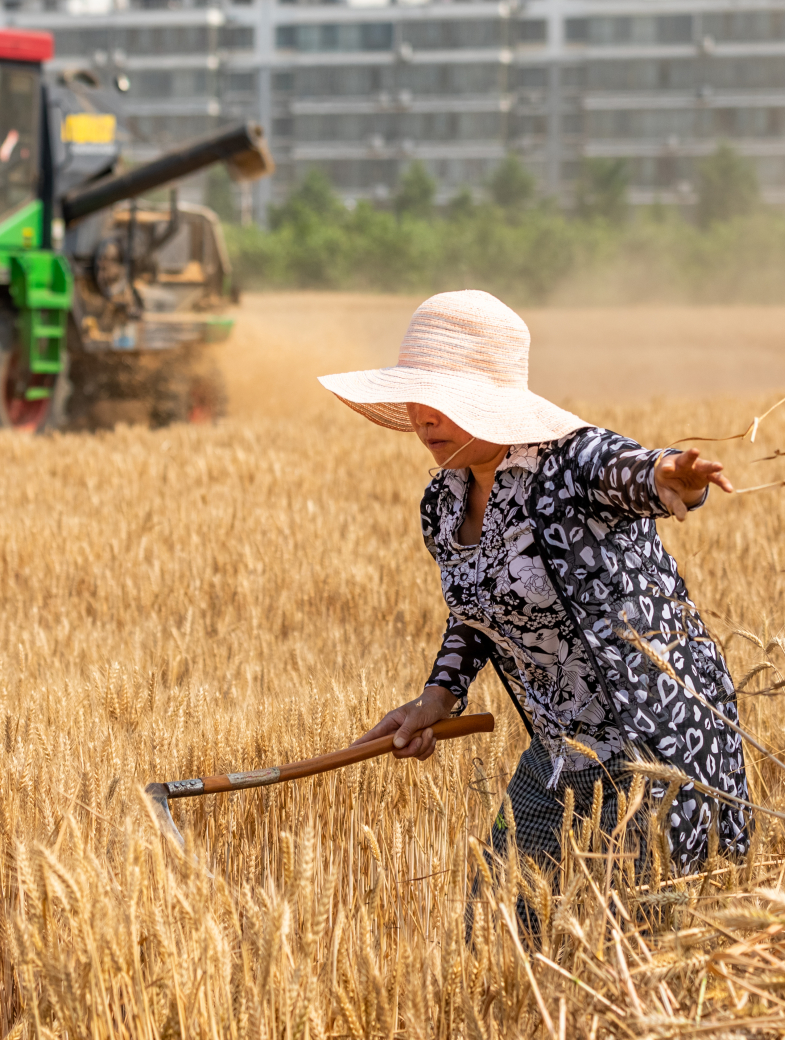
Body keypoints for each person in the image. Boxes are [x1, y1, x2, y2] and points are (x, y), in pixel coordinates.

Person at [320, 290, 752, 886]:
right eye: (415, 398)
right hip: (557, 750)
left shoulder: (571, 464)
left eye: (440, 399)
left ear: (492, 402)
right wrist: (437, 698)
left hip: (653, 743)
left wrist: (671, 476)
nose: (422, 417)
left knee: (641, 924)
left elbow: (632, 471)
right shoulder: (442, 502)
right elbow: (478, 613)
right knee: (500, 913)